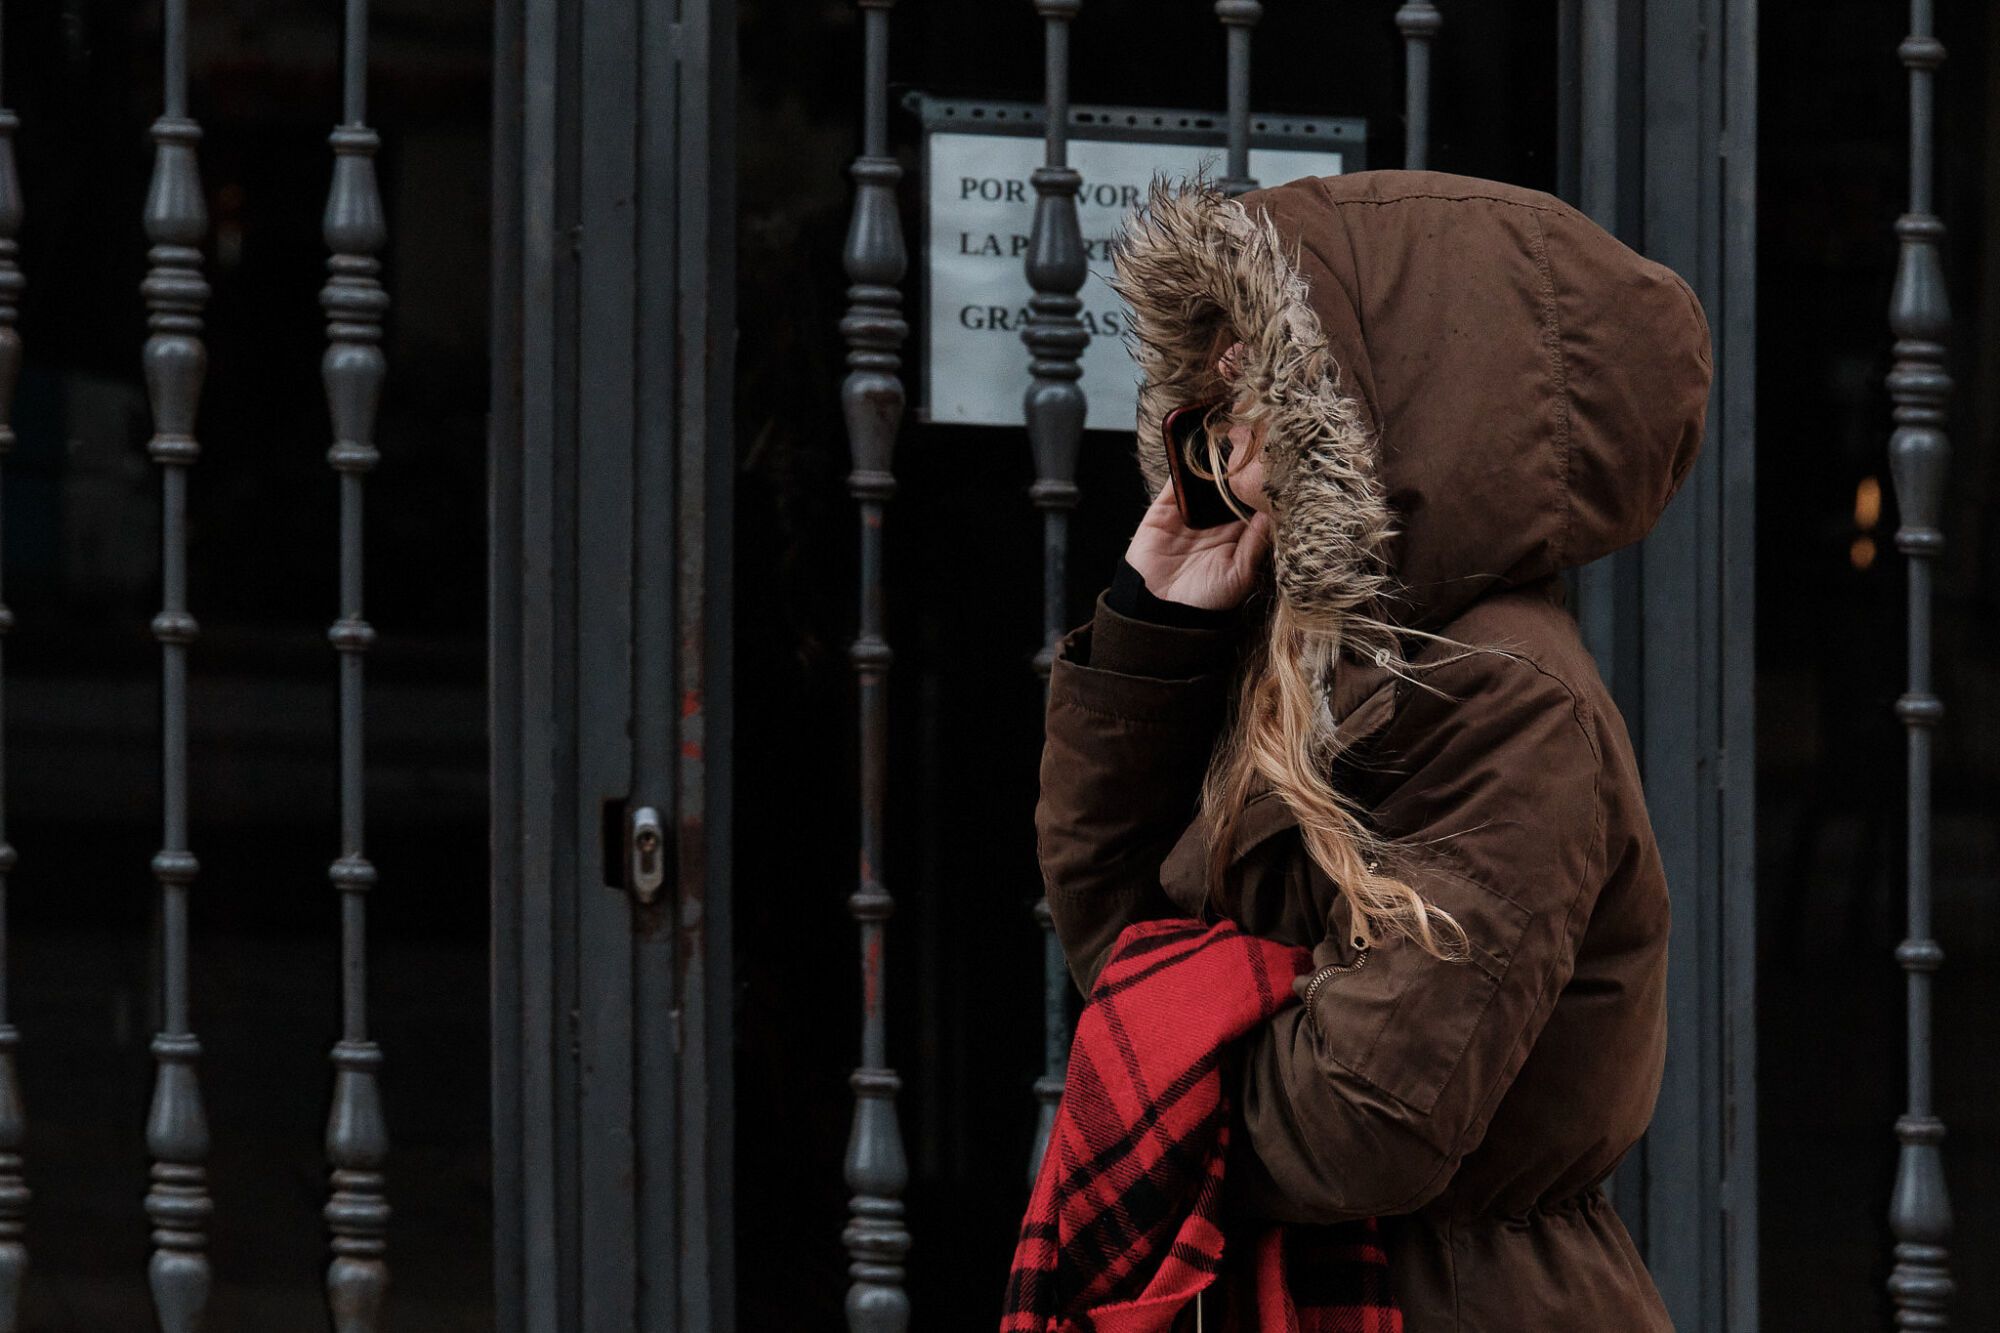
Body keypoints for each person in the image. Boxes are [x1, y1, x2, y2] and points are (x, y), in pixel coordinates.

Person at [1033, 169, 1711, 1331]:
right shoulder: (1306, 656)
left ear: (1399, 396)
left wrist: (1163, 1084)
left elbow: (1365, 1119)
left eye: (1265, 351)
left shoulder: (1501, 697)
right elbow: (1118, 944)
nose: (1222, 388)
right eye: (1219, 353)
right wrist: (1156, 633)